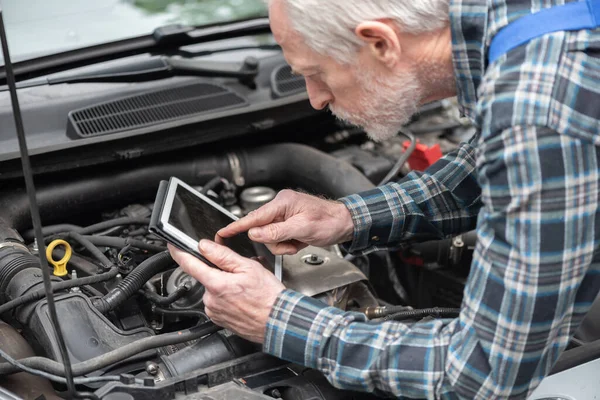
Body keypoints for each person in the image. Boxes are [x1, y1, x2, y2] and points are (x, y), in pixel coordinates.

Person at [168, 0, 600, 398]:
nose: (315, 98)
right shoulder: (532, 23)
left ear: (380, 42)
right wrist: (346, 217)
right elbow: (493, 160)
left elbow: (482, 373)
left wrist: (278, 320)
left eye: (315, 72)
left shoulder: (536, 109)